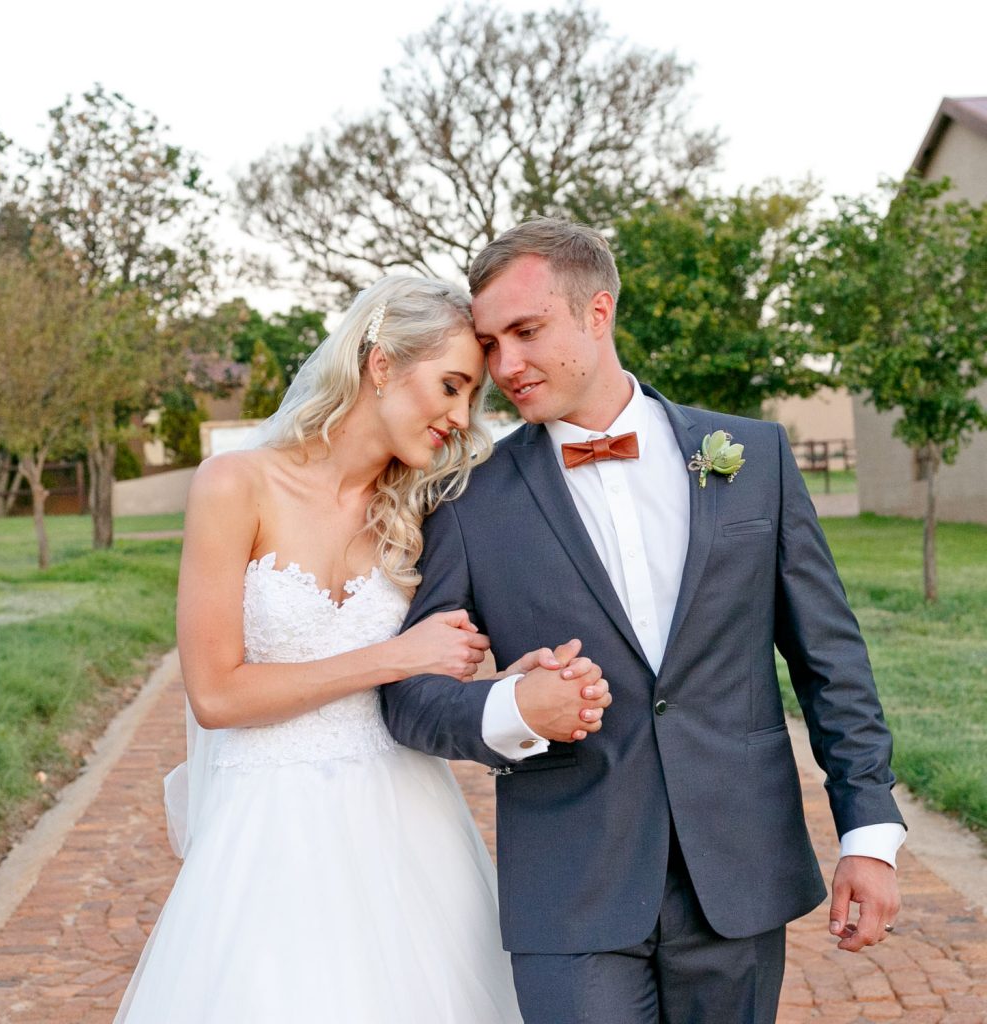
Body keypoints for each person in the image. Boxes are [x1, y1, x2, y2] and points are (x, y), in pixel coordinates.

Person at [382, 219, 906, 1024]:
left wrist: (868, 834)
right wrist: (511, 709)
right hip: (570, 882)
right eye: (490, 344)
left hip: (738, 868)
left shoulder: (751, 458)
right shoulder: (469, 499)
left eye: (527, 331)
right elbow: (409, 696)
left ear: (598, 313)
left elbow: (829, 659)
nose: (506, 366)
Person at [115, 275, 606, 1023]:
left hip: (409, 828)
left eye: (471, 397)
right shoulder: (235, 485)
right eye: (449, 385)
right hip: (273, 833)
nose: (460, 416)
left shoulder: (428, 508)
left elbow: (453, 658)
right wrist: (394, 657)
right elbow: (215, 696)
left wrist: (516, 684)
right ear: (380, 364)